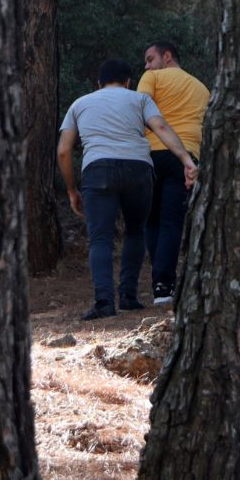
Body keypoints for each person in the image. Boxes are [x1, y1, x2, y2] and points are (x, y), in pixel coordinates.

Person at [57, 59, 198, 321]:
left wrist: (71, 189)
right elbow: (162, 128)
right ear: (128, 82)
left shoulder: (80, 103)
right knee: (136, 231)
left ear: (98, 84)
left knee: (101, 238)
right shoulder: (139, 100)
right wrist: (186, 160)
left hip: (98, 170)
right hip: (139, 169)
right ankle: (129, 297)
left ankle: (104, 302)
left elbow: (64, 149)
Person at [138, 40, 211, 305]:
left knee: (151, 220)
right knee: (171, 221)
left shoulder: (151, 77)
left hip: (152, 153)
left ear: (167, 56)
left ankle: (160, 283)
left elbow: (140, 109)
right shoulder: (202, 88)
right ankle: (163, 286)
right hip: (186, 157)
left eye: (150, 58)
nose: (146, 65)